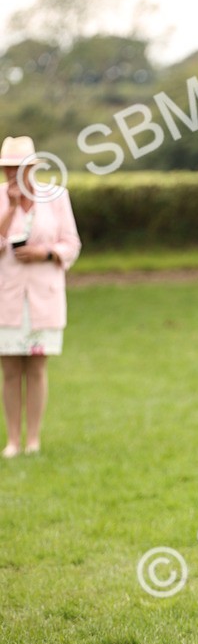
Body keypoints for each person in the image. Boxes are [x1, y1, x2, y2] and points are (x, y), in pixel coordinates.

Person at [0, 137, 81, 457]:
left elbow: (71, 244)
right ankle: (13, 440)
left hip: (44, 297)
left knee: (36, 369)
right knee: (9, 372)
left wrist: (44, 253)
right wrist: (9, 208)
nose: (10, 174)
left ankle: (33, 439)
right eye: (6, 169)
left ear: (30, 169)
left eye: (16, 168)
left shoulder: (57, 197)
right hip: (7, 299)